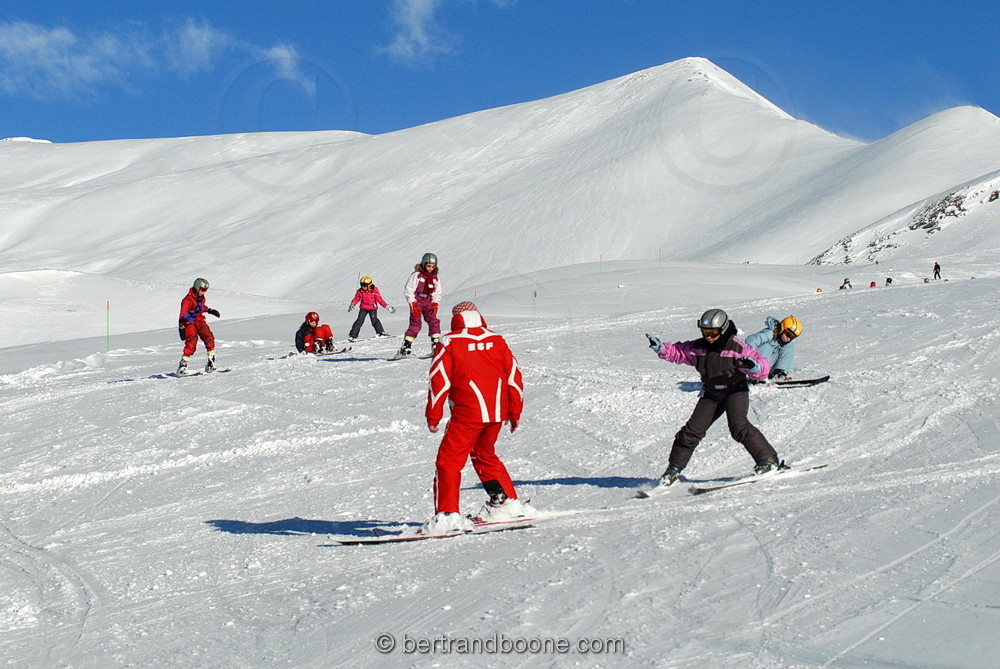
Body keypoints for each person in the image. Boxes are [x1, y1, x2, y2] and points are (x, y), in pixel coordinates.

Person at [422, 302, 529, 534]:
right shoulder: (497, 340)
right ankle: (506, 503)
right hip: (496, 413)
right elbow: (513, 377)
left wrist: (434, 415)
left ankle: (447, 515)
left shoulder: (448, 342)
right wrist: (514, 411)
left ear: (456, 319)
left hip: (467, 413)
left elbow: (439, 380)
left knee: (448, 462)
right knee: (485, 455)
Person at [645, 308, 779, 487]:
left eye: (713, 333)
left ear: (723, 330)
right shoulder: (698, 347)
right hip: (711, 393)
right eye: (705, 332)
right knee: (692, 430)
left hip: (735, 391)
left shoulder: (737, 348)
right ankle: (673, 469)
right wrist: (662, 349)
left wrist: (753, 368)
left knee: (738, 426)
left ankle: (768, 460)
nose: (709, 337)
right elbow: (680, 352)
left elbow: (762, 366)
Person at [397, 253, 442, 357]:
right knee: (416, 323)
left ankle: (435, 344)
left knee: (434, 321)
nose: (430, 268)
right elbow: (409, 289)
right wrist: (412, 303)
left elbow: (437, 292)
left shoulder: (435, 278)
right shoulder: (417, 275)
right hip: (417, 300)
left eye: (433, 266)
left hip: (429, 300)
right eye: (428, 266)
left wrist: (435, 303)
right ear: (423, 264)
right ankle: (406, 346)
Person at [178, 277, 221, 375]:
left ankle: (211, 362)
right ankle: (183, 366)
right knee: (191, 342)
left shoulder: (201, 298)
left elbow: (201, 307)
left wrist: (209, 310)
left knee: (209, 337)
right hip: (189, 322)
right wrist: (181, 327)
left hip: (199, 320)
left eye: (205, 290)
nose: (204, 292)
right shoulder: (187, 300)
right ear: (197, 288)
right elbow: (182, 314)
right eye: (202, 290)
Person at [745, 316, 803, 380]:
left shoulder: (783, 341)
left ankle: (779, 373)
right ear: (783, 328)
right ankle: (756, 374)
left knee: (790, 345)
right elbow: (750, 341)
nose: (789, 339)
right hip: (752, 366)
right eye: (788, 335)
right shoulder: (769, 334)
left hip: (766, 367)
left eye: (792, 337)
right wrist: (748, 360)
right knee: (767, 347)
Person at [347, 276, 395, 341]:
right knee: (359, 321)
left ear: (369, 285)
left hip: (372, 308)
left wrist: (386, 306)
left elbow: (379, 299)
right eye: (361, 285)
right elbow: (357, 298)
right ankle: (353, 336)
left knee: (374, 321)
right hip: (363, 308)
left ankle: (381, 333)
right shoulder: (360, 291)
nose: (363, 287)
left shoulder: (374, 291)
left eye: (365, 285)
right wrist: (353, 303)